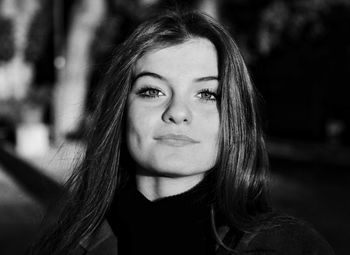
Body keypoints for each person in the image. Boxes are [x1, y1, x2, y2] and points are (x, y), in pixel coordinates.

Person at [30, 11, 335, 255]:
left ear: (234, 119)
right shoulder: (69, 243)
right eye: (152, 91)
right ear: (120, 113)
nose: (177, 111)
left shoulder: (288, 247)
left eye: (206, 95)